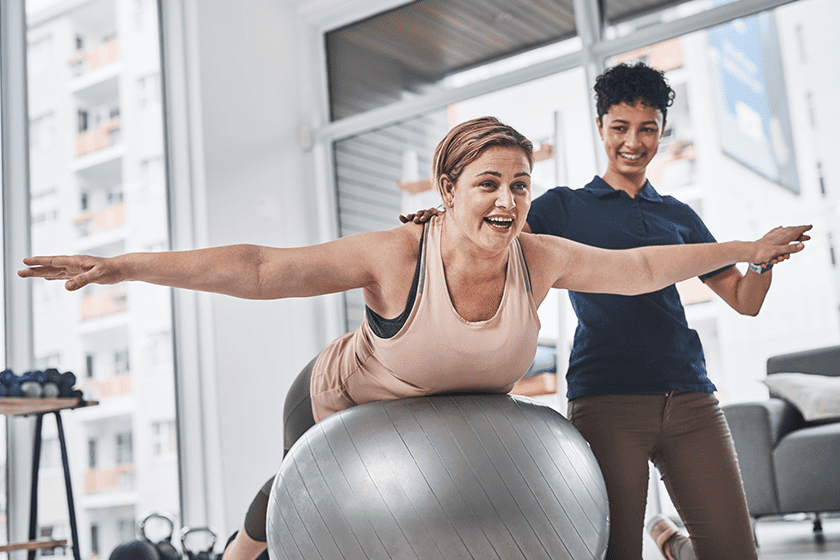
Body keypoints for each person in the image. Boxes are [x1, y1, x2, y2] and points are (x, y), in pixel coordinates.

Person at [19, 117, 809, 560]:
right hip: (345, 397)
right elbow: (258, 267)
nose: (507, 201)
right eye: (488, 184)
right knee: (293, 496)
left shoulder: (539, 257)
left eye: (520, 185)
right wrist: (120, 266)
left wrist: (741, 249)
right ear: (447, 191)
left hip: (443, 423)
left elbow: (641, 265)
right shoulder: (398, 254)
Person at [405, 63, 804, 560]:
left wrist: (762, 262)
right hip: (607, 398)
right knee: (616, 553)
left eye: (647, 128)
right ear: (600, 127)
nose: (633, 141)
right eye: (620, 127)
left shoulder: (678, 214)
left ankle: (678, 547)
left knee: (735, 553)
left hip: (690, 395)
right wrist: (444, 222)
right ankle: (675, 547)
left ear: (662, 131)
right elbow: (496, 234)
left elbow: (745, 302)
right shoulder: (564, 207)